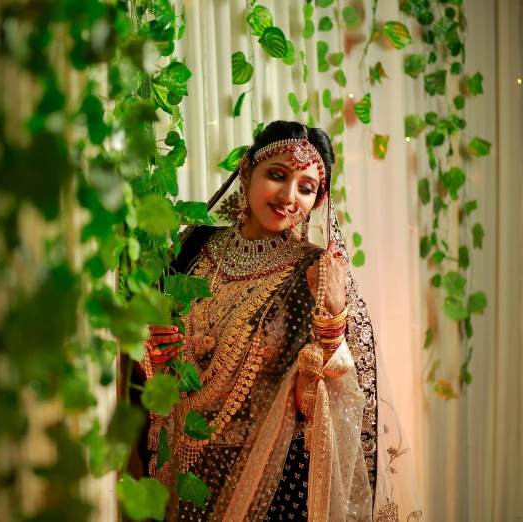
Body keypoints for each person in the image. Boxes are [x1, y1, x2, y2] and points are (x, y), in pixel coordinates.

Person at [139, 121, 422, 521]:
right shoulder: (196, 246)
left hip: (271, 482)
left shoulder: (314, 271)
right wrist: (152, 345)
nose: (289, 197)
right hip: (184, 464)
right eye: (277, 175)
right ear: (246, 171)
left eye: (306, 188)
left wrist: (334, 317)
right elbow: (151, 347)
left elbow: (325, 403)